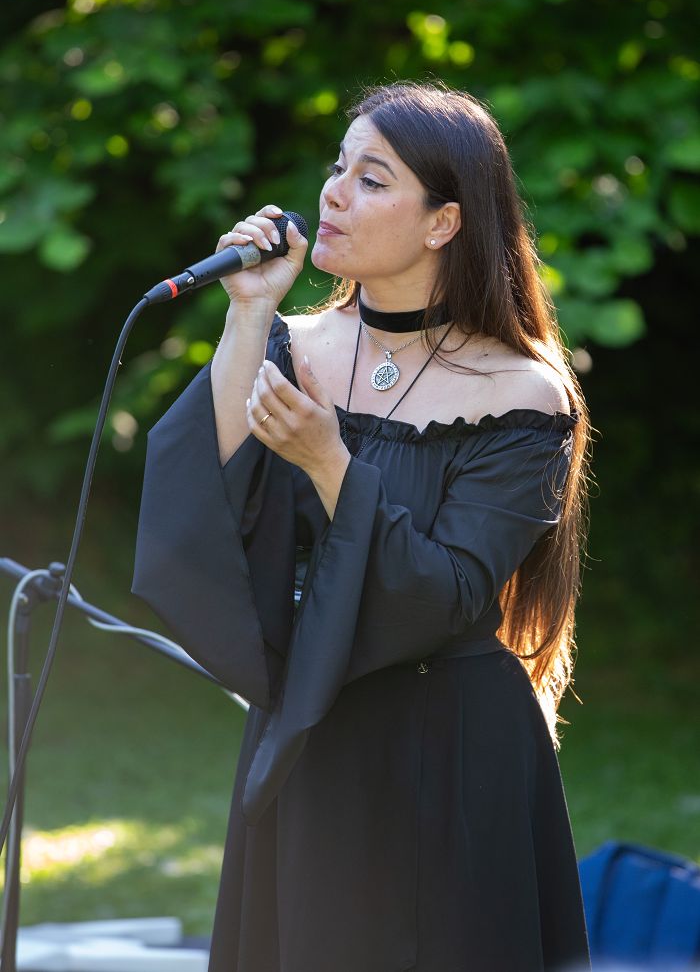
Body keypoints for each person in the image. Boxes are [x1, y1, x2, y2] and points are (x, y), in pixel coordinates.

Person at [132, 80, 592, 972]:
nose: (333, 194)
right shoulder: (293, 343)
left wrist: (330, 463)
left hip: (448, 746)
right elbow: (204, 503)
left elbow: (449, 592)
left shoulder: (524, 394)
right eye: (338, 168)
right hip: (312, 729)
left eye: (371, 180)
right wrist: (249, 311)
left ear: (443, 222)